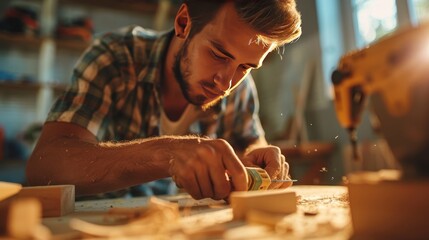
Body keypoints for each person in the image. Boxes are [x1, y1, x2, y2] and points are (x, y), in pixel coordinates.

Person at [26, 0, 302, 200]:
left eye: (245, 67)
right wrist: (168, 153)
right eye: (219, 55)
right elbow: (43, 167)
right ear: (183, 23)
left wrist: (256, 161)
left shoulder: (239, 88)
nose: (227, 83)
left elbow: (251, 144)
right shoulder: (115, 57)